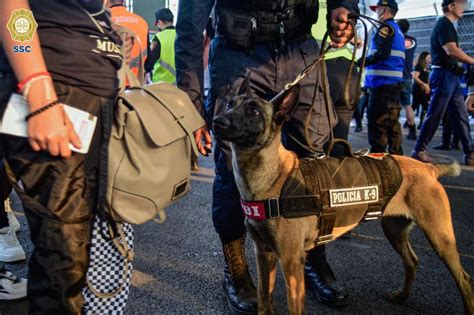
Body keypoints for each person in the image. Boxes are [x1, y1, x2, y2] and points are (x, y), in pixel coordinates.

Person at [176, 0, 359, 313]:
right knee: (234, 171)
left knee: (314, 166)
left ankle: (314, 260)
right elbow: (191, 21)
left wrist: (344, 7)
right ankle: (236, 271)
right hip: (238, 56)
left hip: (300, 52)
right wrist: (191, 103)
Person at [0, 0, 122, 312]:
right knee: (62, 257)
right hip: (58, 91)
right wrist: (38, 89)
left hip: (85, 93)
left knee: (74, 248)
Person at [411, 0, 474, 166]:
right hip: (444, 75)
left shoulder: (448, 26)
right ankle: (419, 150)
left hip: (450, 76)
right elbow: (451, 50)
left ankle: (470, 153)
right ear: (451, 6)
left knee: (461, 116)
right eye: (461, 4)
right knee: (436, 112)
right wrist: (472, 61)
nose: (464, 7)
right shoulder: (444, 24)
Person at [312, 0, 360, 153]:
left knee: (314, 143)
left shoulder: (305, 7)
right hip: (349, 70)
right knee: (339, 142)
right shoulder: (342, 5)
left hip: (323, 69)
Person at [362, 0, 405, 154]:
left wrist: (362, 62)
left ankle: (377, 158)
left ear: (384, 10)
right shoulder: (397, 30)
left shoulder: (385, 28)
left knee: (377, 124)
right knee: (392, 124)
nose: (376, 13)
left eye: (378, 9)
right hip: (393, 85)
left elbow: (383, 53)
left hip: (381, 85)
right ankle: (397, 158)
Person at [108, 0, 149, 80]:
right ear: (124, 1)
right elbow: (149, 58)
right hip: (136, 82)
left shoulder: (103, 21)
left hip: (112, 81)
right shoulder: (142, 22)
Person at [397, 19, 417, 141]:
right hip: (408, 77)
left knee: (393, 106)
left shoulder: (395, 40)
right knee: (407, 105)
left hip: (395, 76)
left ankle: (394, 130)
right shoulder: (413, 41)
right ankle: (412, 130)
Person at [145, 8, 176, 84]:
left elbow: (150, 62)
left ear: (159, 22)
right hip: (179, 83)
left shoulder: (158, 38)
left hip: (161, 85)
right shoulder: (180, 36)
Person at [412, 51, 431, 130]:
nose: (429, 59)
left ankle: (409, 122)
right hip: (418, 89)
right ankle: (421, 124)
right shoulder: (419, 66)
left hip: (424, 89)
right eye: (428, 58)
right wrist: (424, 84)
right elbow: (415, 77)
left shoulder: (426, 67)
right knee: (426, 106)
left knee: (415, 106)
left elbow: (426, 78)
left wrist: (428, 85)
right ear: (423, 58)